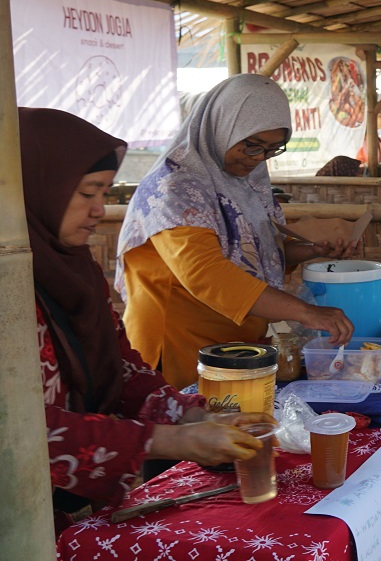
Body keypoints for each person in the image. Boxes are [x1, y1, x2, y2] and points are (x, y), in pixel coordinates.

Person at [20, 107, 274, 534]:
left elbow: (120, 366)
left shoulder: (75, 271)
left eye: (104, 193)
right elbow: (19, 428)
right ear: (37, 188)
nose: (99, 209)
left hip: (60, 509)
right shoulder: (11, 293)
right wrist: (170, 440)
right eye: (87, 193)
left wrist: (194, 417)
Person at [117, 74, 356, 390]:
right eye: (251, 145)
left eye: (271, 149)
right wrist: (305, 312)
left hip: (233, 347)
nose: (258, 158)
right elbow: (206, 274)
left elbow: (257, 254)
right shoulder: (175, 187)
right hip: (178, 350)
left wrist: (312, 250)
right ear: (222, 126)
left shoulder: (245, 182)